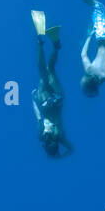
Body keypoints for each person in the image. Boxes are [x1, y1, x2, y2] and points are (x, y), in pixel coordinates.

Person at [30, 11, 72, 158]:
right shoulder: (56, 137)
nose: (49, 143)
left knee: (46, 70)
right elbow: (71, 149)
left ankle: (48, 44)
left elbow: (38, 117)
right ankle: (46, 44)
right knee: (47, 70)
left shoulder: (43, 135)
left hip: (50, 100)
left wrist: (33, 100)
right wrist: (34, 101)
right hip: (53, 100)